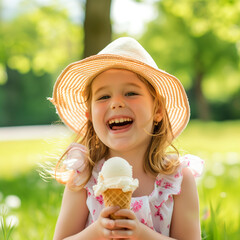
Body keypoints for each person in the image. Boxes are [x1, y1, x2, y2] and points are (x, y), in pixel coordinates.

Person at [48, 37, 204, 240]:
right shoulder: (84, 178)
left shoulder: (177, 180)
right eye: (104, 97)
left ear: (157, 110)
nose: (116, 103)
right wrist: (96, 232)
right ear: (89, 115)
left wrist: (143, 235)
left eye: (131, 93)